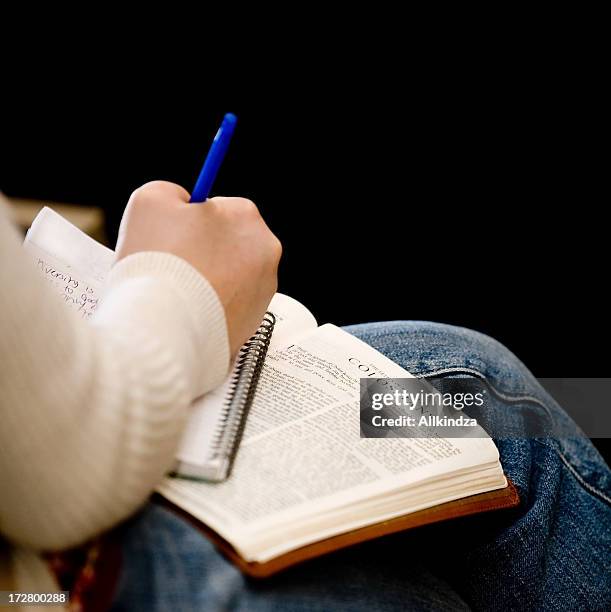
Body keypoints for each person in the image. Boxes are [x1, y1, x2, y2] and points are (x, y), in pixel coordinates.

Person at [0, 184, 609, 611]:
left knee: (480, 384)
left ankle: (600, 414)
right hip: (50, 579)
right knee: (431, 587)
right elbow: (69, 463)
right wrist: (180, 285)